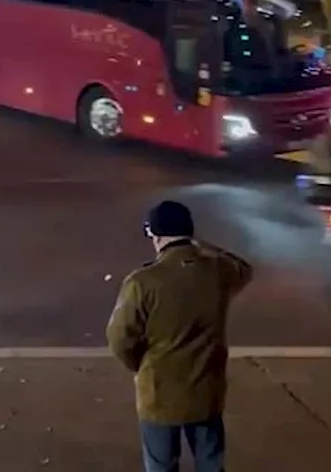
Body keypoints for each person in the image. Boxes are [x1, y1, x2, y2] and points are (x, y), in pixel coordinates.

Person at [106, 200, 254, 472]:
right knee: (210, 463)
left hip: (159, 394)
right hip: (206, 393)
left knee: (161, 465)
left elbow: (119, 339)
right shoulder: (218, 272)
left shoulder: (142, 282)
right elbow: (244, 269)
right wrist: (202, 247)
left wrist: (139, 365)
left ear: (157, 237)